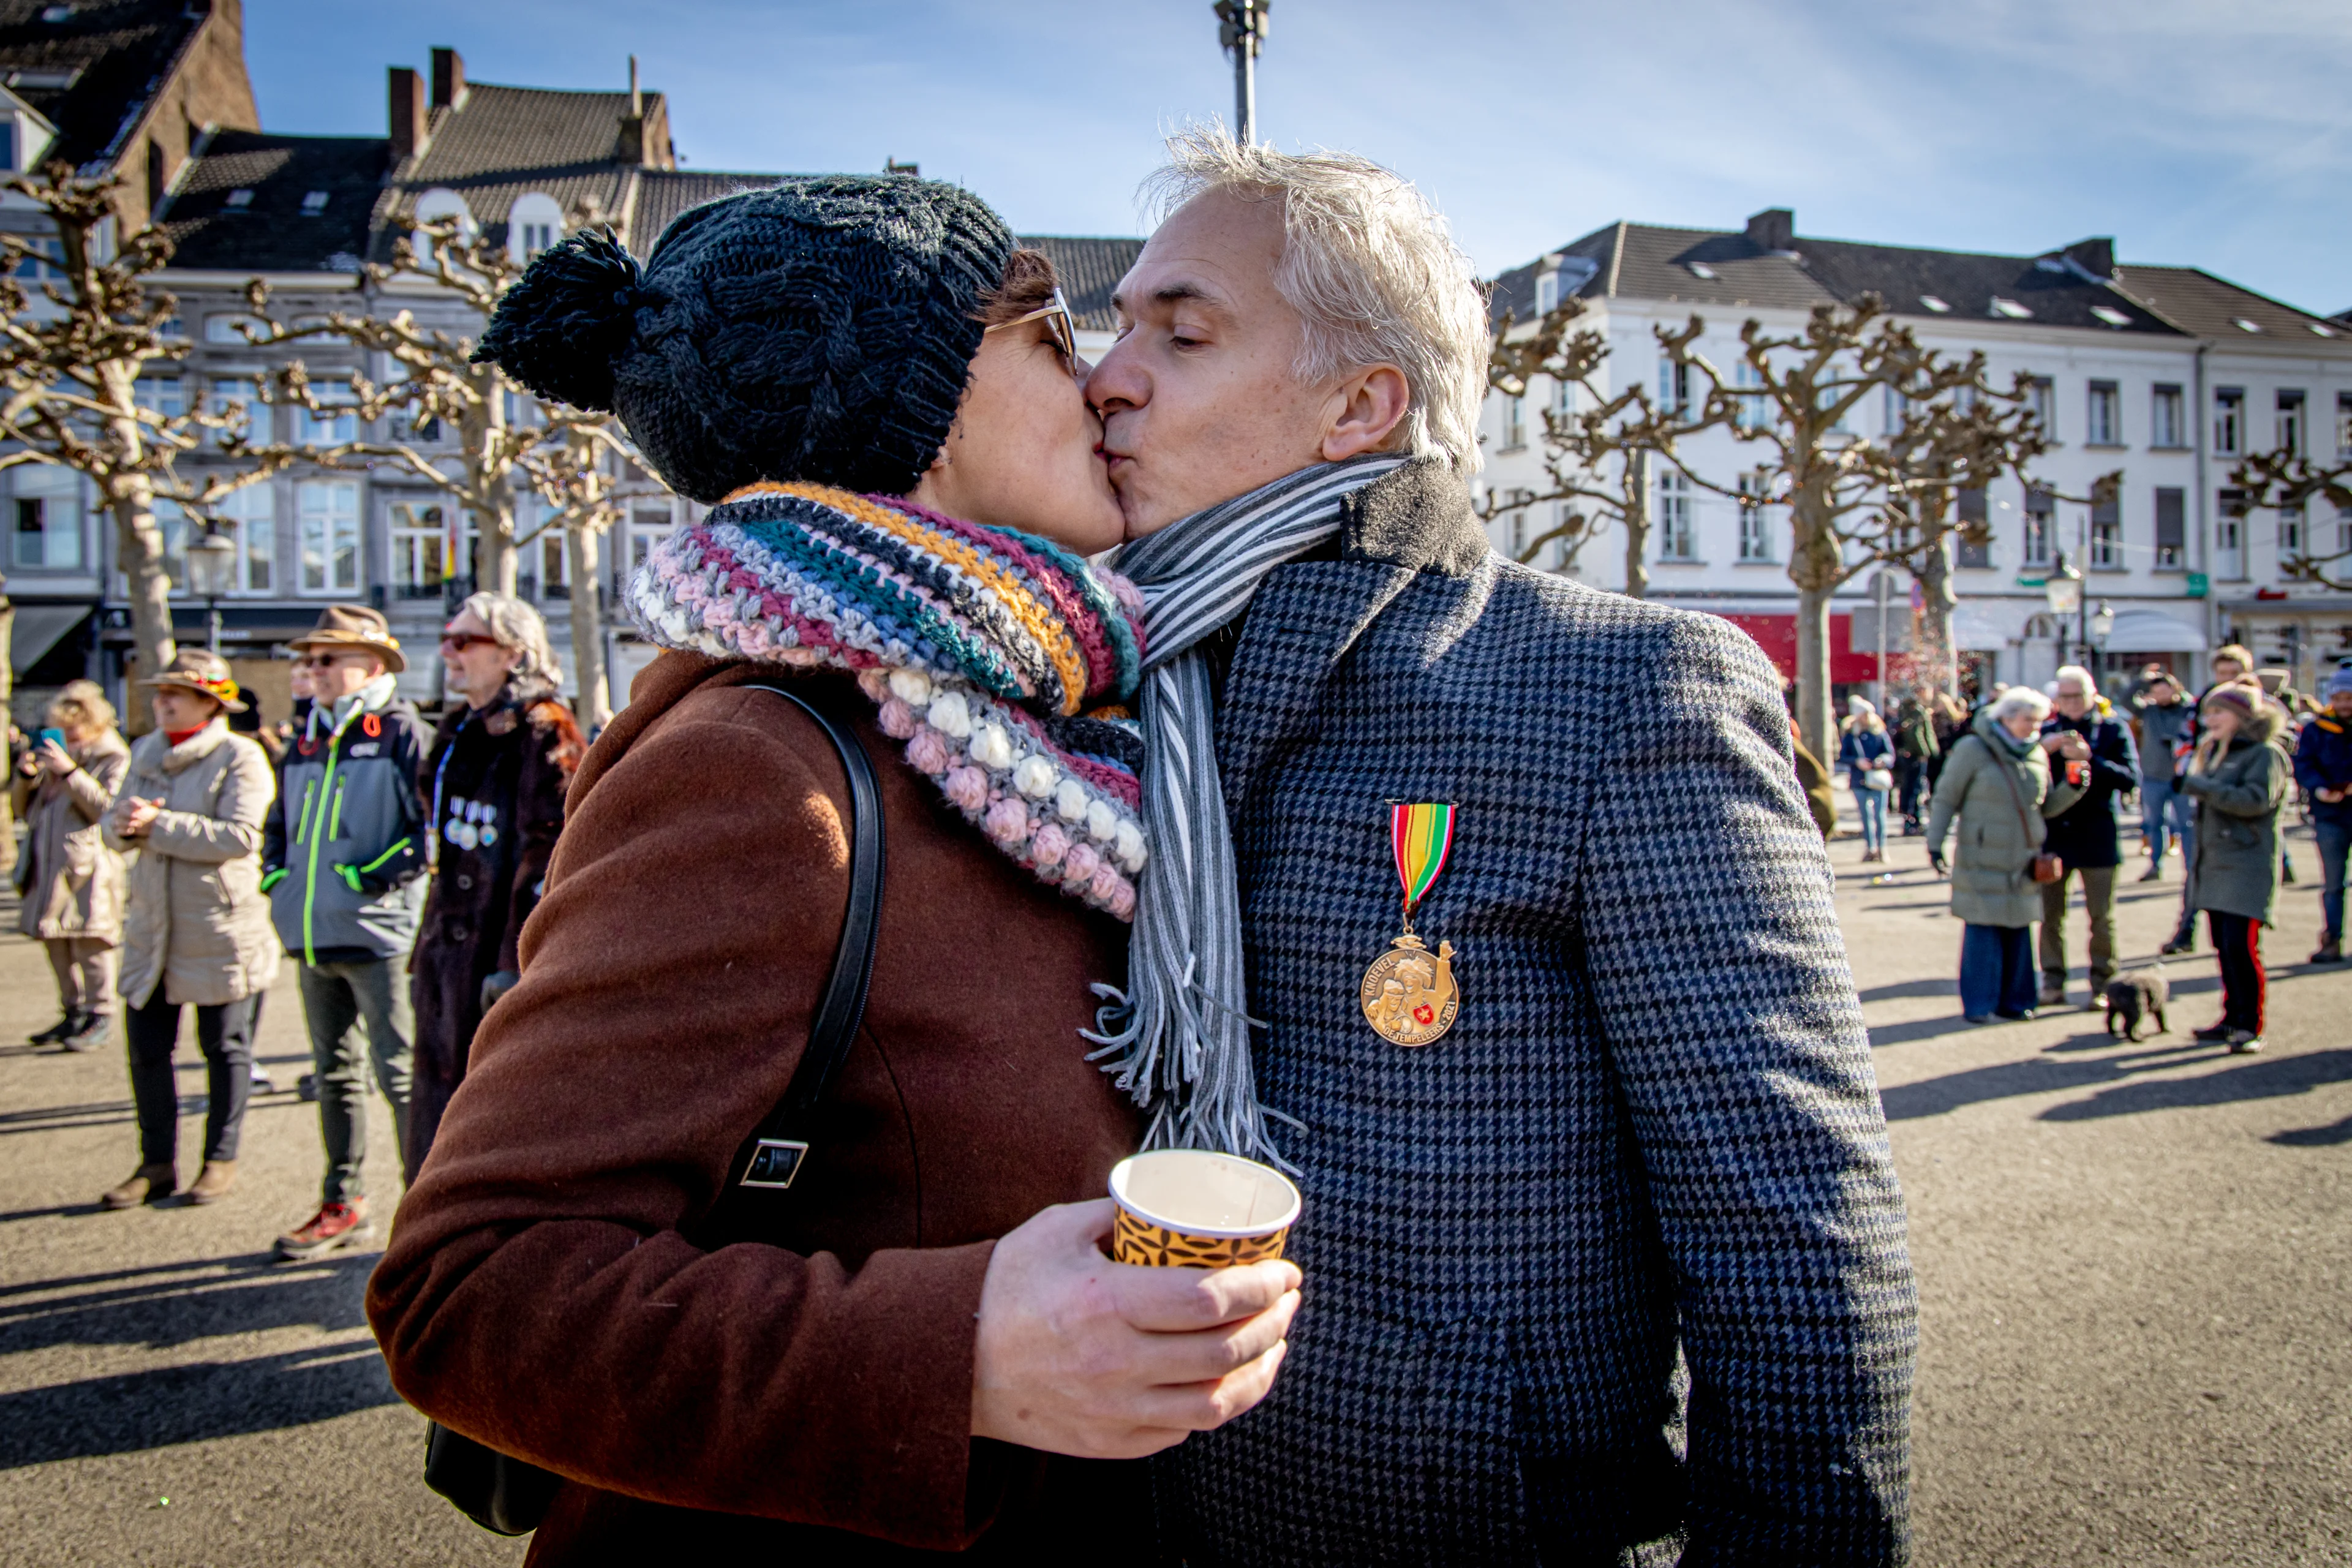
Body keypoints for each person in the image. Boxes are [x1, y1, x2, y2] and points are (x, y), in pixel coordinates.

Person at [368, 183, 1298, 1559]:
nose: (1102, 376)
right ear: (904, 414)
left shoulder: (1058, 717)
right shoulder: (759, 762)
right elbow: (473, 1286)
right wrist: (963, 1351)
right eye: (1046, 337)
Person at [1081, 134, 1912, 1562]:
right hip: (1149, 1504)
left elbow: (1791, 1234)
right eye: (1117, 324)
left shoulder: (1616, 689)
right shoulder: (1102, 689)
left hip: (1482, 1526)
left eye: (1183, 330)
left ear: (1360, 402)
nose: (1108, 372)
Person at [263, 606, 431, 1261]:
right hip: (311, 934)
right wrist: (277, 878)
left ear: (371, 664)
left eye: (327, 658)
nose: (314, 669)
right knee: (334, 1075)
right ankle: (343, 1200)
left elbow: (424, 832)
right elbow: (278, 826)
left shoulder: (400, 730)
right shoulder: (305, 733)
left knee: (398, 1074)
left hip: (377, 935)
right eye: (310, 659)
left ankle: (422, 1210)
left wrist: (367, 879)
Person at [95, 650, 279, 1208]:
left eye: (175, 693)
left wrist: (157, 826)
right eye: (159, 692)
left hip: (218, 930)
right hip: (153, 928)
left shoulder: (240, 756)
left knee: (224, 1048)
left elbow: (243, 837)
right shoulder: (146, 750)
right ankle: (155, 1164)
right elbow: (111, 824)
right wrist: (122, 828)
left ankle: (219, 1160)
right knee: (147, 1051)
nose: (161, 701)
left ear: (209, 702)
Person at [406, 592, 582, 1169]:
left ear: (512, 653)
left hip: (494, 963)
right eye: (448, 638)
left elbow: (553, 851)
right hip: (443, 953)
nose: (449, 652)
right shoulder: (458, 726)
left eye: (465, 641)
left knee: (489, 1127)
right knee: (434, 1120)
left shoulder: (544, 730)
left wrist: (514, 958)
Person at [1925, 686, 2085, 1023]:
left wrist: (2075, 786)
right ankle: (1979, 1005)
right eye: (2029, 720)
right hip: (1981, 857)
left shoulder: (2036, 754)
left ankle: (2016, 1001)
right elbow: (1946, 797)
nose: (2035, 728)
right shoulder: (1973, 749)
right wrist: (1935, 842)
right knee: (1983, 933)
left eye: (2039, 722)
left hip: (2023, 859)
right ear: (2007, 718)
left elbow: (2044, 807)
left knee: (2018, 933)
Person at [12, 680, 129, 1052]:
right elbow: (25, 811)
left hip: (91, 865)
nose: (68, 736)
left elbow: (107, 809)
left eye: (75, 730)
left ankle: (100, 1014)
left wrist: (69, 773)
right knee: (55, 940)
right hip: (49, 866)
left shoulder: (112, 755)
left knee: (90, 944)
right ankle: (72, 1012)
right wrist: (27, 779)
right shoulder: (59, 755)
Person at [2178, 680, 2289, 1052]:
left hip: (2246, 864)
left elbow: (2255, 801)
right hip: (2215, 863)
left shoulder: (2264, 754)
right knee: (2223, 946)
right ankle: (2231, 1017)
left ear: (2241, 716)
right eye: (2207, 712)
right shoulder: (2217, 751)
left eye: (2217, 712)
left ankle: (2250, 1025)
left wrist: (2201, 786)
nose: (2209, 719)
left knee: (2242, 947)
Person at [2035, 666, 2138, 1007]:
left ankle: (2103, 984)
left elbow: (2129, 779)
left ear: (2093, 695)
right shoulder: (2046, 732)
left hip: (2098, 836)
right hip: (2055, 839)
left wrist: (2091, 759)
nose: (2073, 702)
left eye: (2078, 695)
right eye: (2065, 696)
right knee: (2051, 917)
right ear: (2056, 699)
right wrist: (2041, 751)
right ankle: (2053, 981)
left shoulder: (2112, 730)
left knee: (2101, 917)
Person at [2297, 664, 2352, 964]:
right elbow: (2303, 764)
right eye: (2340, 698)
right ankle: (2332, 940)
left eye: (2350, 698)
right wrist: (2319, 789)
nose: (2345, 704)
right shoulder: (2317, 728)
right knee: (2333, 884)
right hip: (2329, 813)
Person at [2132, 668, 2194, 880]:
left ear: (2175, 690)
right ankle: (2155, 866)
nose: (2160, 696)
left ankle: (2191, 869)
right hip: (2152, 777)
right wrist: (2143, 680)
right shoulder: (2148, 711)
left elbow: (2195, 708)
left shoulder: (2186, 710)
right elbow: (2125, 699)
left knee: (2186, 826)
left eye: (2165, 691)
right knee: (2154, 824)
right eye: (2156, 692)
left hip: (2181, 779)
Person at [1838, 696, 1896, 861]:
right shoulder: (1851, 734)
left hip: (1878, 779)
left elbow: (1890, 755)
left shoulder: (1879, 733)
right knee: (1866, 816)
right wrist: (1857, 762)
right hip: (1859, 779)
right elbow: (1842, 756)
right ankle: (1870, 848)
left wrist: (1882, 761)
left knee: (1880, 815)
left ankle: (1882, 848)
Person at [1892, 683, 1939, 834]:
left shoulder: (1906, 709)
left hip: (1909, 755)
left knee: (1912, 788)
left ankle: (1915, 819)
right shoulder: (1916, 711)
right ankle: (1911, 820)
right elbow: (1917, 735)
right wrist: (1926, 752)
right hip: (1915, 756)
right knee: (1914, 788)